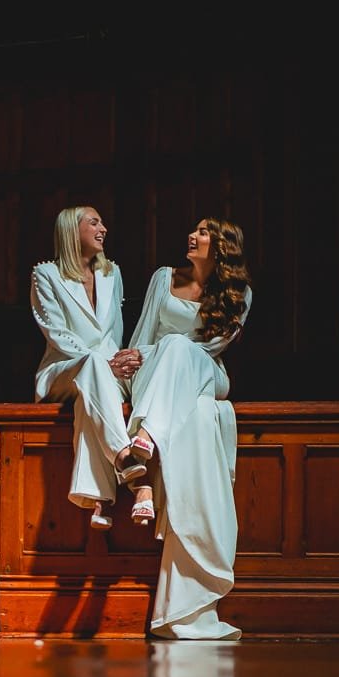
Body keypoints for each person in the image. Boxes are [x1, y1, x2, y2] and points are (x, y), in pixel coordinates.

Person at [123, 218, 253, 639]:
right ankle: (151, 438)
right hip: (153, 371)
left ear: (220, 246)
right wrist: (139, 365)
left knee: (181, 347)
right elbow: (143, 333)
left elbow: (212, 348)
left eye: (201, 232)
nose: (191, 235)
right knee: (177, 358)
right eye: (192, 228)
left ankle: (144, 442)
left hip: (203, 373)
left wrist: (168, 350)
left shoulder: (239, 294)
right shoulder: (164, 278)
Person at [30, 206, 146, 531]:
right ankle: (124, 456)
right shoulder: (46, 275)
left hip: (101, 374)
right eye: (94, 222)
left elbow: (115, 331)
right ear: (72, 230)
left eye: (102, 222)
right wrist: (103, 363)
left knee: (91, 395)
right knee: (93, 366)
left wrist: (115, 363)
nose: (103, 228)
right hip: (63, 369)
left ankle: (101, 498)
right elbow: (56, 332)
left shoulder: (113, 274)